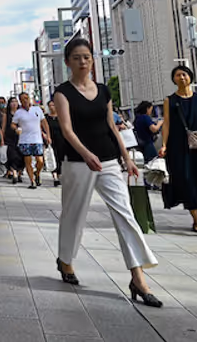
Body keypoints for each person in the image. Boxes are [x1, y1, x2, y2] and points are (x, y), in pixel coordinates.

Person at [52, 38, 161, 307]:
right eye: (76, 57)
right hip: (78, 161)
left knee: (125, 214)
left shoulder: (103, 91)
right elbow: (67, 130)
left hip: (109, 161)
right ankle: (65, 261)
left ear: (92, 60)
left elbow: (113, 127)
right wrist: (86, 154)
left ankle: (138, 276)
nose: (82, 61)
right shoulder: (62, 92)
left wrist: (127, 158)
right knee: (73, 216)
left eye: (86, 57)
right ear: (67, 61)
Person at [158, 66, 197, 233]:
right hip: (177, 146)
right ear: (174, 79)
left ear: (190, 77)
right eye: (177, 75)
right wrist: (163, 145)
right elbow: (167, 124)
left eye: (184, 74)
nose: (181, 77)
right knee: (185, 180)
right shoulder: (170, 100)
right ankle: (196, 218)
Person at [13, 92, 50, 189]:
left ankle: (37, 173)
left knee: (40, 161)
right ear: (20, 101)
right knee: (28, 161)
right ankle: (32, 181)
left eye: (26, 98)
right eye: (22, 99)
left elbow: (44, 123)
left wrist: (48, 136)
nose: (25, 100)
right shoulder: (18, 112)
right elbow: (13, 124)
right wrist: (16, 129)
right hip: (25, 140)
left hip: (37, 139)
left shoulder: (37, 109)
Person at [1, 95, 25, 183]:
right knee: (12, 155)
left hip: (21, 137)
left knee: (21, 155)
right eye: (12, 102)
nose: (14, 103)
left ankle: (19, 173)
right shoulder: (6, 115)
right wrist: (2, 139)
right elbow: (3, 128)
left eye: (15, 101)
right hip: (9, 137)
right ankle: (14, 172)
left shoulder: (22, 113)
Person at [46, 100, 66, 187]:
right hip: (51, 140)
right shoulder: (46, 117)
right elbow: (42, 128)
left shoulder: (62, 116)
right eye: (50, 105)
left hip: (62, 140)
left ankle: (59, 174)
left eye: (53, 105)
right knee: (52, 157)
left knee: (60, 157)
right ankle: (55, 176)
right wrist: (46, 136)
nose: (51, 107)